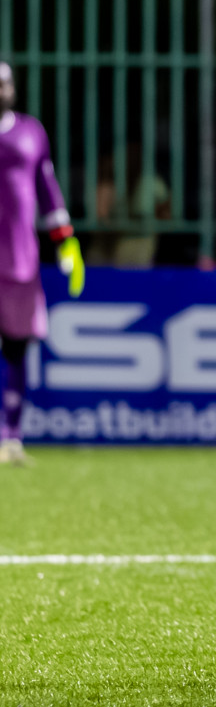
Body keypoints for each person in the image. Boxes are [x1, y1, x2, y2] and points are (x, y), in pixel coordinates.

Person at [0, 61, 85, 466]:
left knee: (16, 348)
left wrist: (67, 245)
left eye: (4, 84)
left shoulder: (30, 132)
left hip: (19, 260)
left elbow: (48, 190)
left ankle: (11, 438)